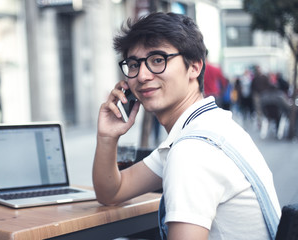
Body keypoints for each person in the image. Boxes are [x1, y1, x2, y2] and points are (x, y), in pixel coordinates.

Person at [93, 12, 281, 239]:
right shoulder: (211, 126)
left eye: (157, 60)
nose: (141, 75)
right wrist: (107, 137)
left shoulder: (192, 152)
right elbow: (112, 192)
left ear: (194, 67)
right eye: (134, 64)